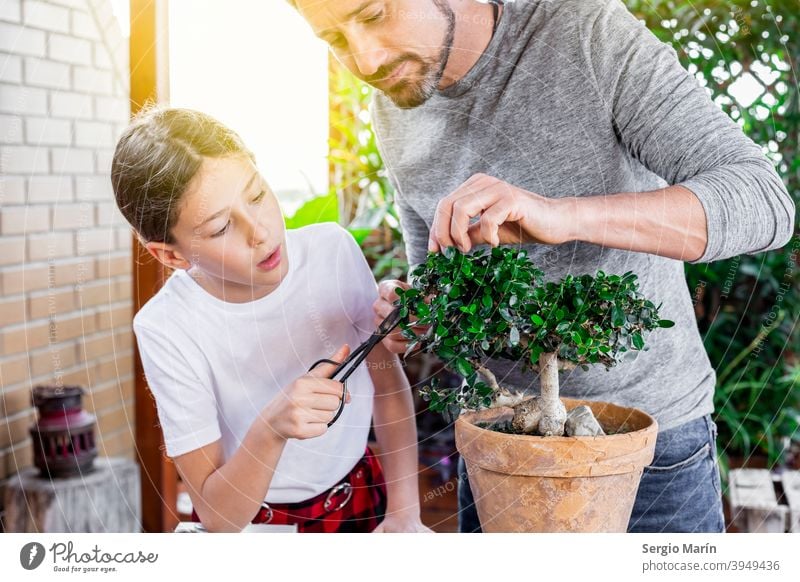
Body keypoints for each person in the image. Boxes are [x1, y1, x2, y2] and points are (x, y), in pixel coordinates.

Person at [290, 0, 796, 532]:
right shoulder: (393, 101)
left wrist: (562, 215)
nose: (366, 60)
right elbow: (436, 273)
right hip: (501, 444)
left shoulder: (585, 32)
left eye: (372, 16)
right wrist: (420, 311)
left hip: (649, 452)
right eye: (335, 40)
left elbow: (763, 202)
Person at [112, 107, 431, 533]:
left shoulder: (331, 251)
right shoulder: (167, 327)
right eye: (222, 226)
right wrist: (271, 428)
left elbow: (387, 387)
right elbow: (219, 517)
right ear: (171, 255)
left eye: (257, 194)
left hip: (362, 498)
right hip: (258, 528)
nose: (259, 231)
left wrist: (405, 515)